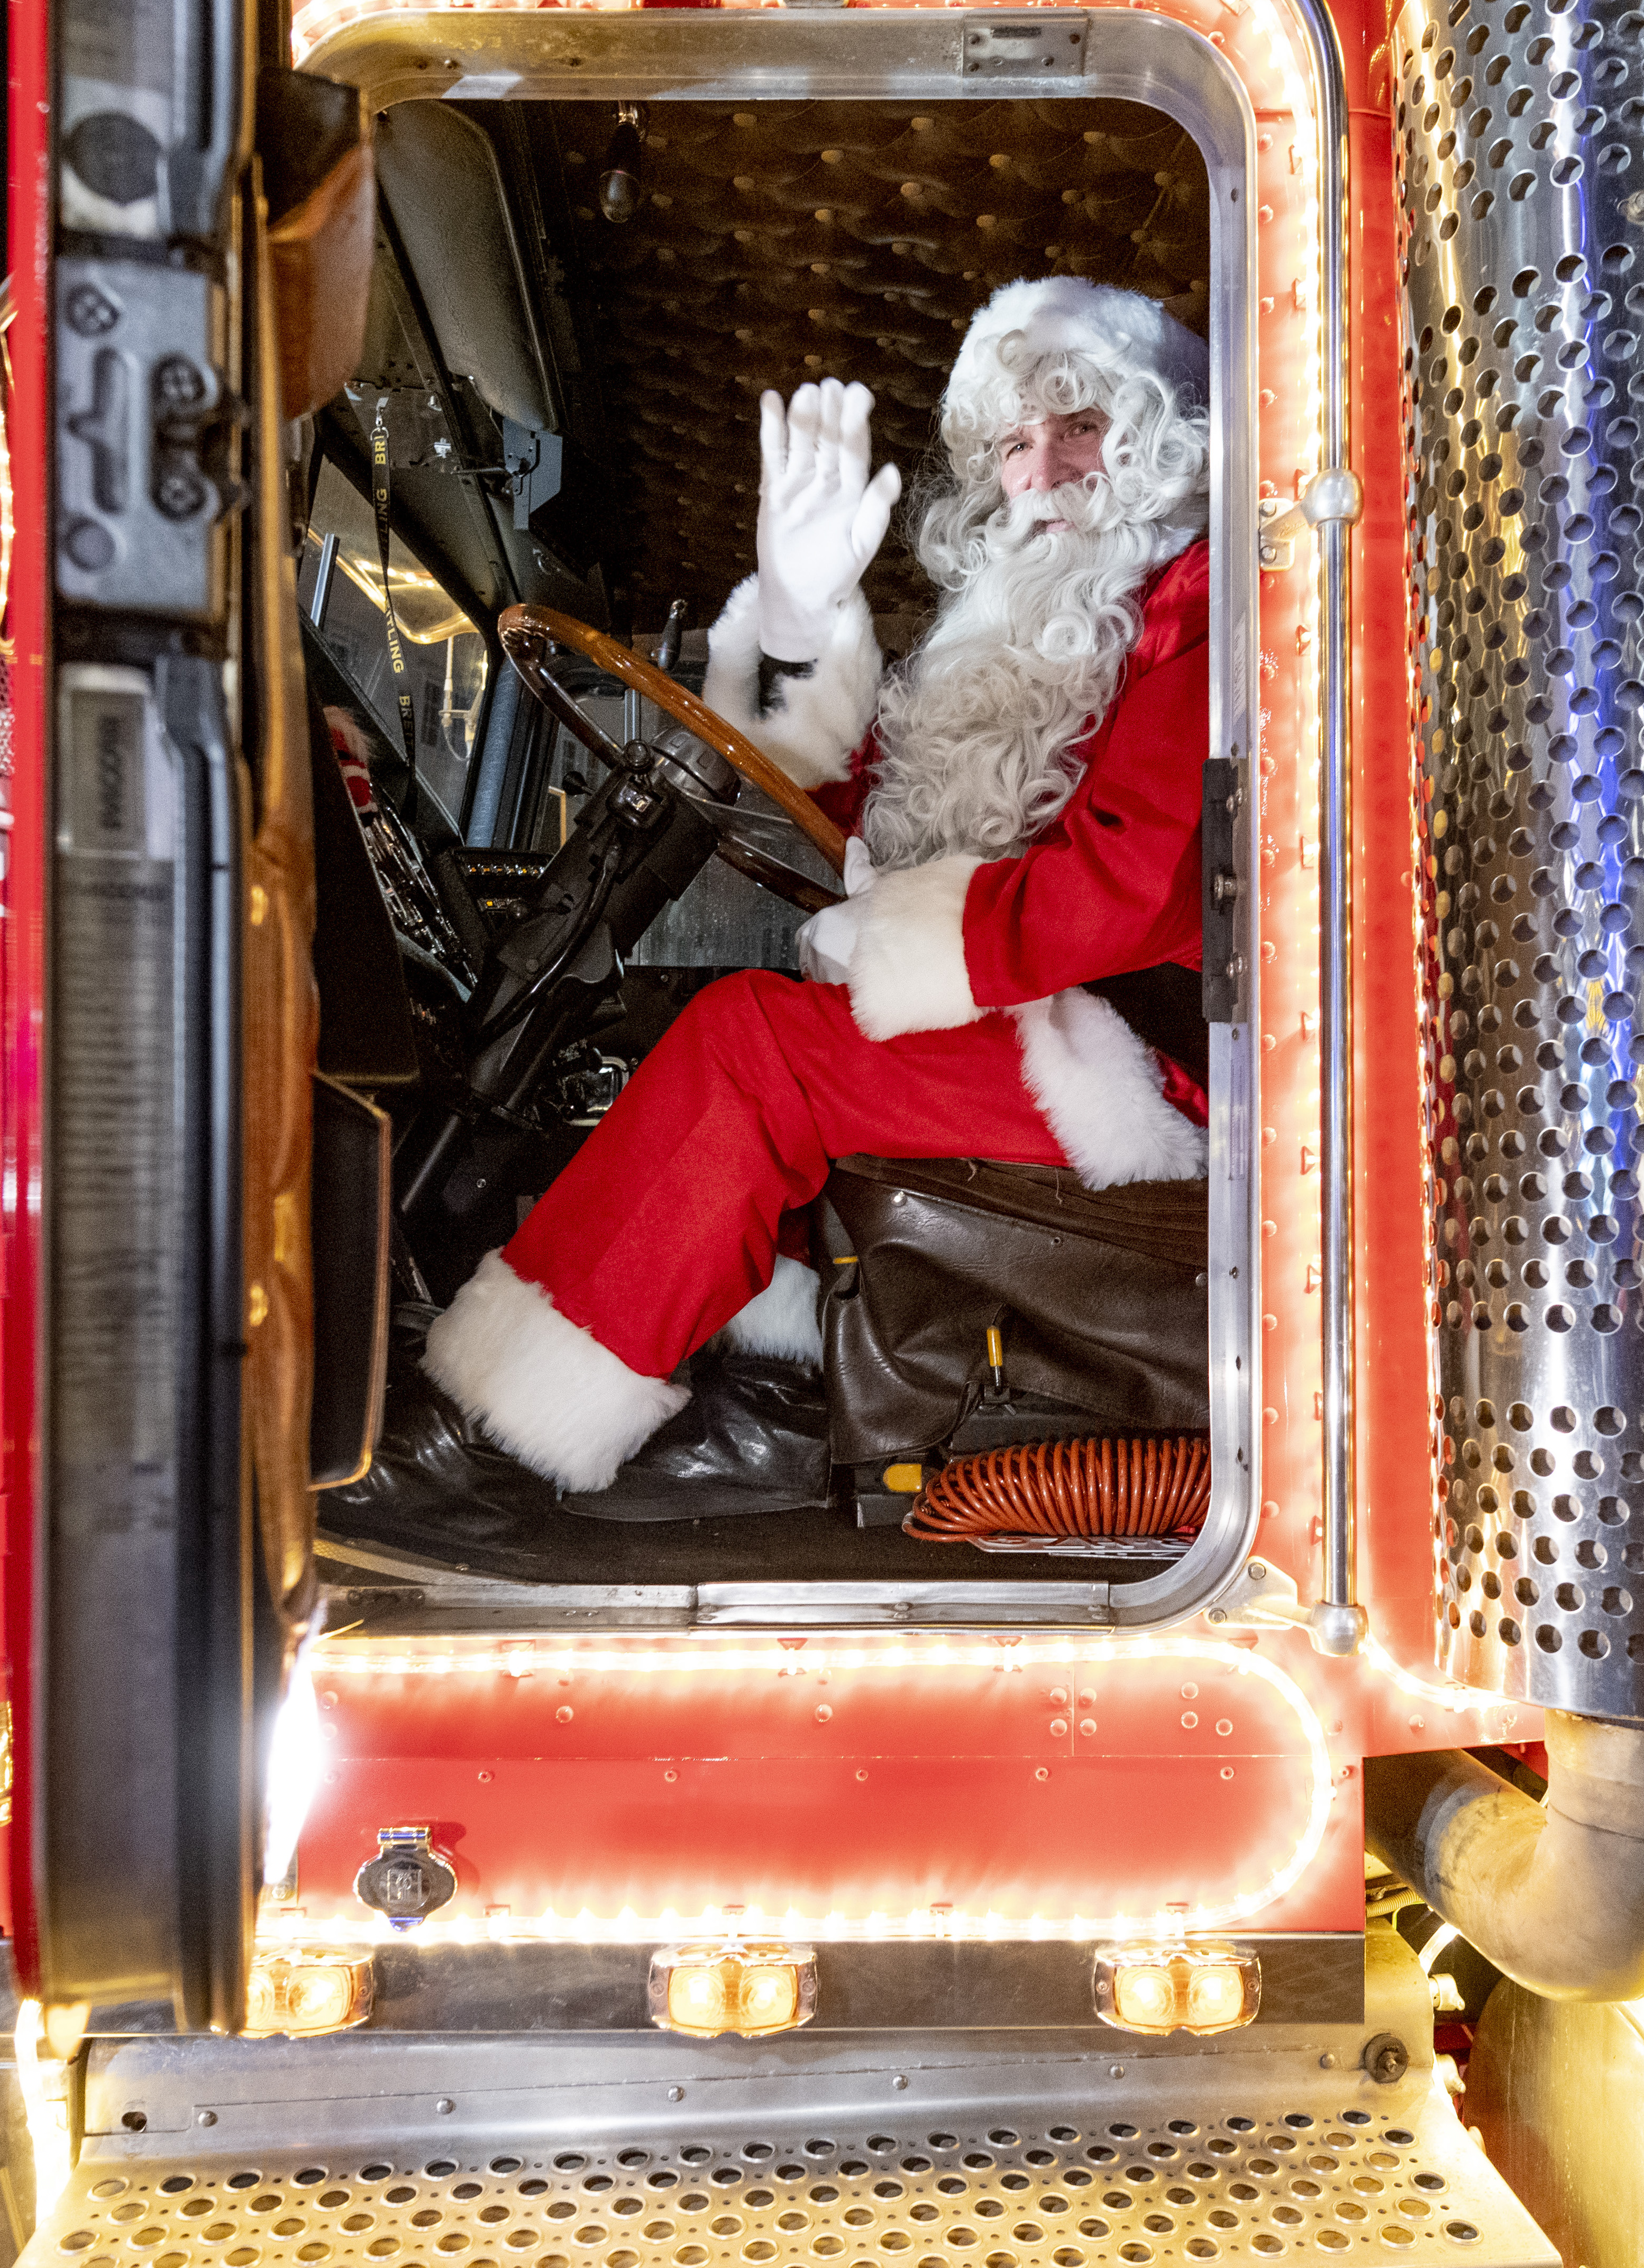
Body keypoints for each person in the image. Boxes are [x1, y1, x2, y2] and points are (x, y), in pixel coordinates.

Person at [336, 275, 1216, 1550]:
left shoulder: (1198, 612)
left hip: (1147, 1065)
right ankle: (761, 1388)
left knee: (755, 1047)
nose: (1039, 471)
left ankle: (489, 1431)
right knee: (714, 1020)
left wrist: (913, 937)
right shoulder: (1046, 620)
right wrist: (803, 616)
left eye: (1077, 426)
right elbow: (888, 797)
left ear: (1154, 438)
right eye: (1014, 442)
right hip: (1048, 1014)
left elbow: (1132, 883)